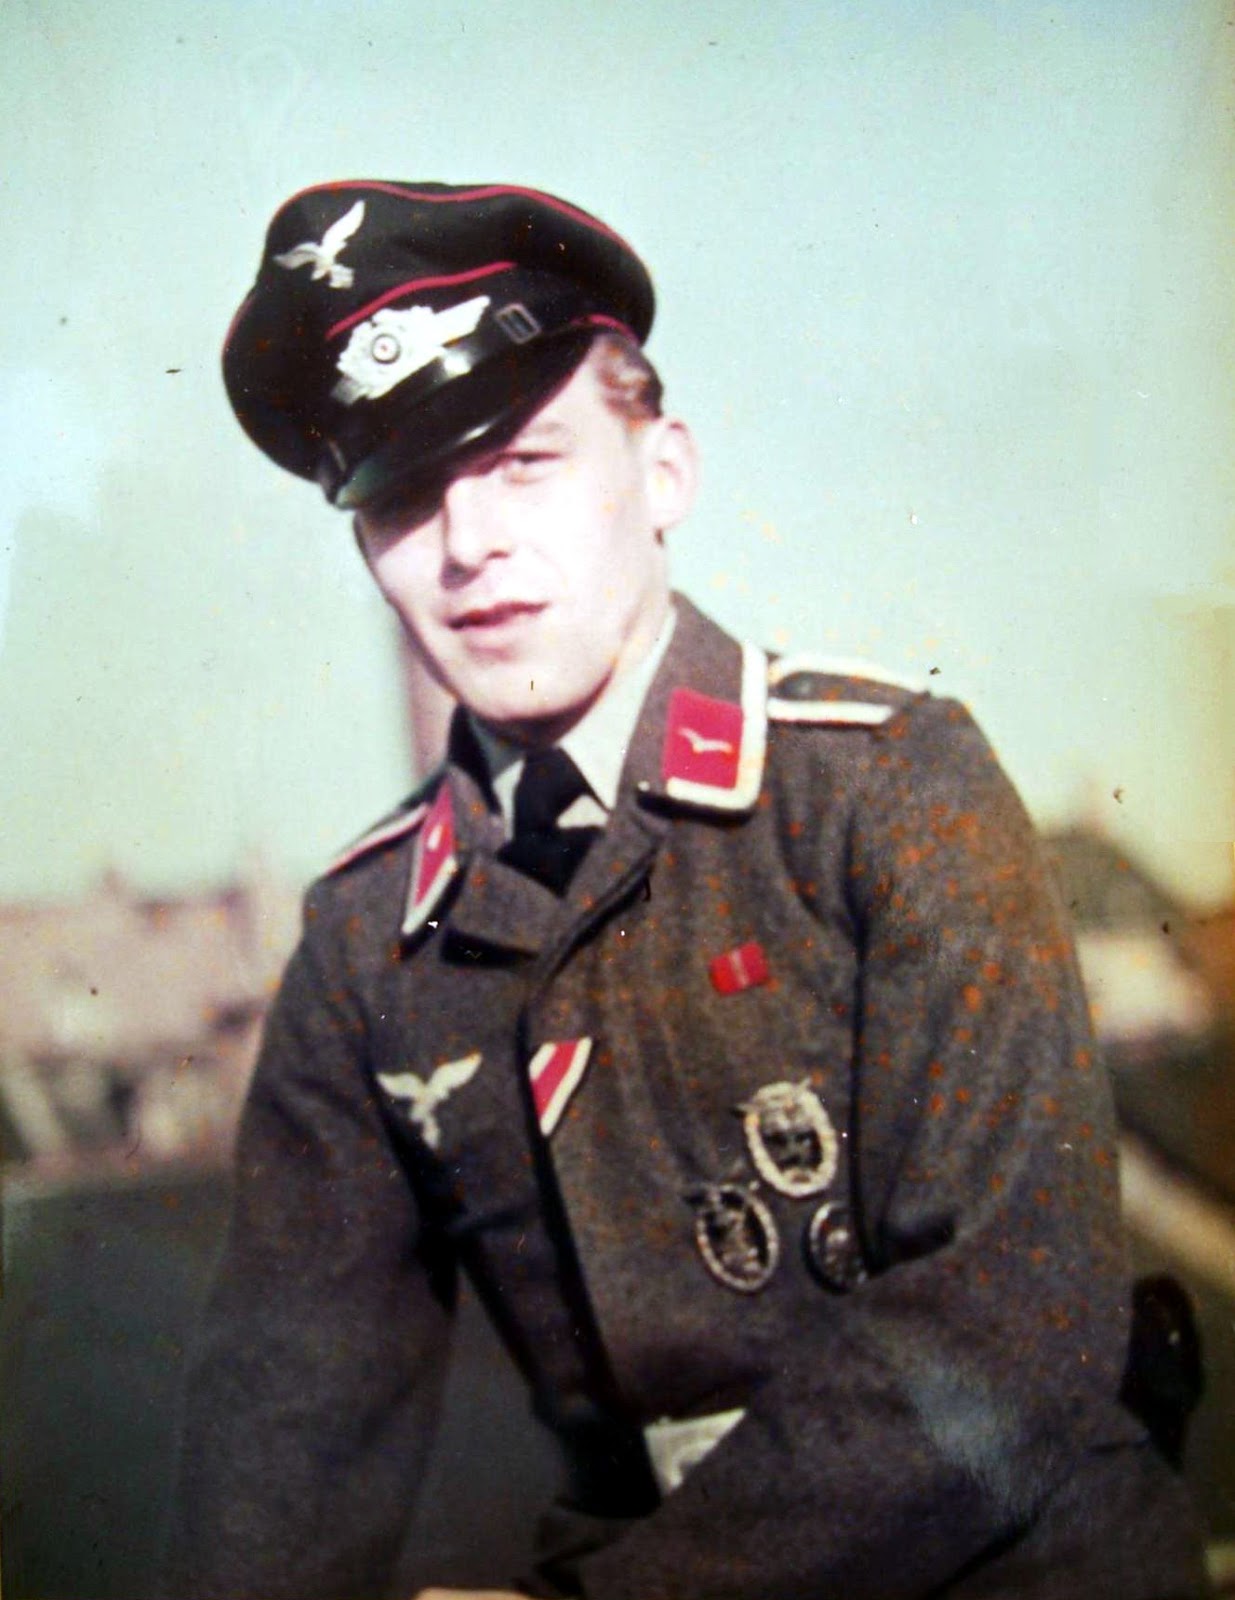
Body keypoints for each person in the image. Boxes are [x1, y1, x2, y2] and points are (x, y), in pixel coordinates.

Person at [165, 180, 1210, 1600]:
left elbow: (1009, 1322)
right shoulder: (365, 944)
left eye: (526, 463)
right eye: (404, 497)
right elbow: (286, 1425)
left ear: (664, 475)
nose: (468, 546)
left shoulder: (884, 787)